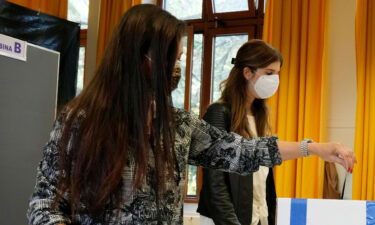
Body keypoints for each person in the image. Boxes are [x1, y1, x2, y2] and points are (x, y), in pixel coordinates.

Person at [26, 4, 356, 225]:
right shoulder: (80, 121)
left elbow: (240, 151)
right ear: (143, 57)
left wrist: (313, 148)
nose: (179, 67)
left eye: (181, 56)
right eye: (174, 57)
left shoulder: (178, 125)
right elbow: (45, 204)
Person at [197, 40, 281, 225]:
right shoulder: (219, 113)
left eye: (277, 74)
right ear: (247, 72)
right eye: (269, 73)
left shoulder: (260, 116)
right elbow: (214, 181)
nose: (275, 80)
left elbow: (263, 180)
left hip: (257, 217)